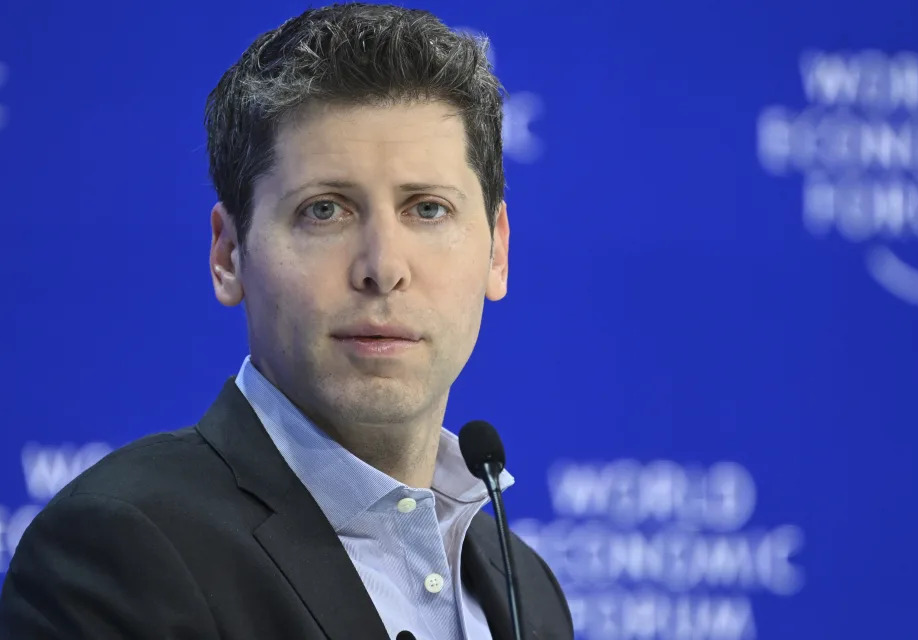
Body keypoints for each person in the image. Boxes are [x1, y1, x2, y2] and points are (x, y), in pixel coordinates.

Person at [0, 3, 573, 639]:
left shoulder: (528, 592)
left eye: (429, 210)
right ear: (228, 255)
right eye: (324, 210)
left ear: (497, 251)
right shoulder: (120, 549)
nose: (382, 268)